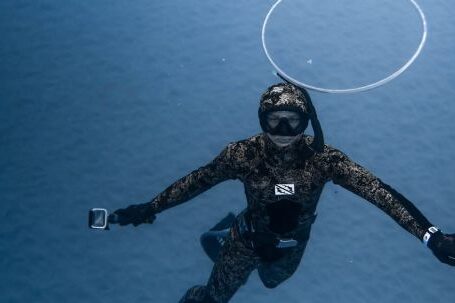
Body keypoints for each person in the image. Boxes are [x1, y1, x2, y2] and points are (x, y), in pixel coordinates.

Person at [112, 83, 455, 303]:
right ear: (262, 120)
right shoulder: (243, 155)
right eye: (273, 121)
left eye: (292, 121)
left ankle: (226, 239)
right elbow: (196, 181)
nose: (283, 131)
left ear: (306, 122)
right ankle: (222, 238)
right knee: (212, 299)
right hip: (245, 240)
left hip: (290, 249)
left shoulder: (324, 161)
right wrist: (150, 207)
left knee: (271, 281)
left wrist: (431, 237)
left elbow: (379, 192)